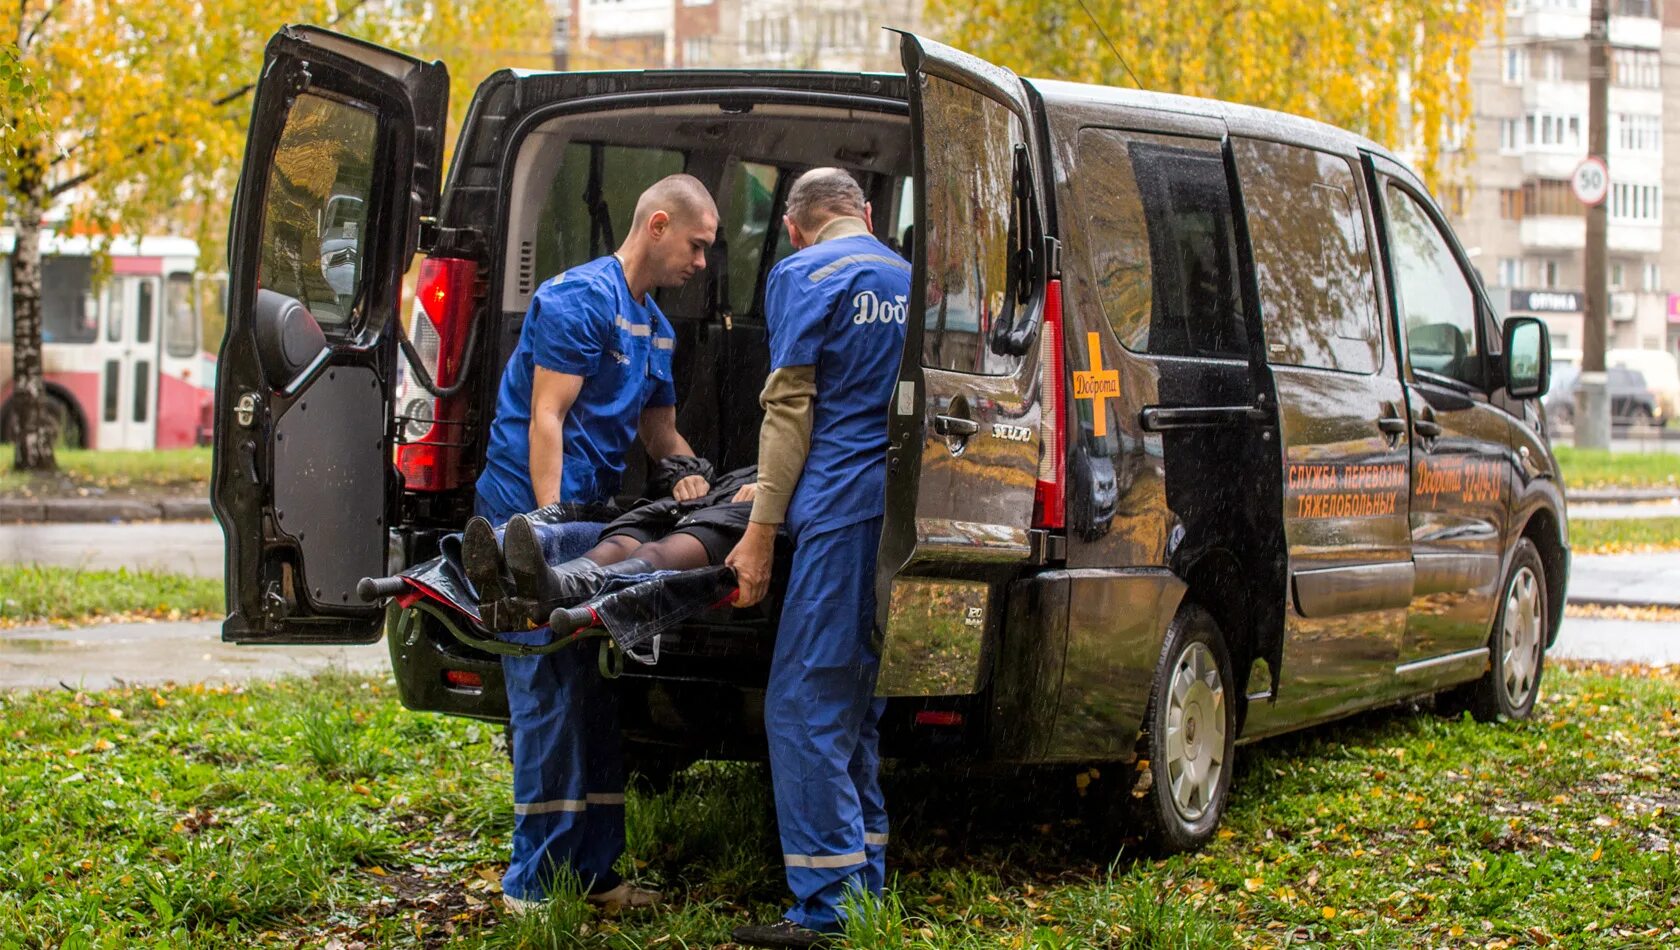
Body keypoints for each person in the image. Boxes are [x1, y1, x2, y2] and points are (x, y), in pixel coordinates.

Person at [470, 174, 718, 914]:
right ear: (658, 225)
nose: (702, 264)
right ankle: (533, 885)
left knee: (594, 696)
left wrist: (690, 476)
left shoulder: (656, 327)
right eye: (698, 246)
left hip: (592, 524)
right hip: (530, 515)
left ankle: (595, 873)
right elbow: (547, 416)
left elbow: (659, 432)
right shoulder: (578, 298)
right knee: (547, 696)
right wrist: (544, 534)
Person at [724, 168, 911, 948]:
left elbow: (789, 409)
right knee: (855, 707)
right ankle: (864, 881)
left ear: (795, 227)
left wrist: (760, 528)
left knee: (801, 707)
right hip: (905, 512)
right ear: (866, 214)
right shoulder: (911, 277)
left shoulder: (803, 273)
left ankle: (829, 910)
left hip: (837, 509)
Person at [462, 457, 762, 623]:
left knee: (656, 551)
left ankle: (559, 589)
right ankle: (518, 585)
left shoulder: (794, 468)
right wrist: (686, 476)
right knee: (622, 541)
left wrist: (772, 493)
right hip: (685, 507)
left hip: (742, 519)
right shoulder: (751, 464)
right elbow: (678, 463)